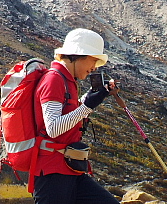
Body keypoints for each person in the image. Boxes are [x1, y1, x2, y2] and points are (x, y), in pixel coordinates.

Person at [32, 28, 119, 204]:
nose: (94, 67)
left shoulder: (68, 81)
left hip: (69, 168)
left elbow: (66, 114)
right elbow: (54, 128)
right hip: (52, 173)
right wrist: (87, 106)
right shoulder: (54, 80)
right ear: (78, 55)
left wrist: (90, 98)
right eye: (93, 60)